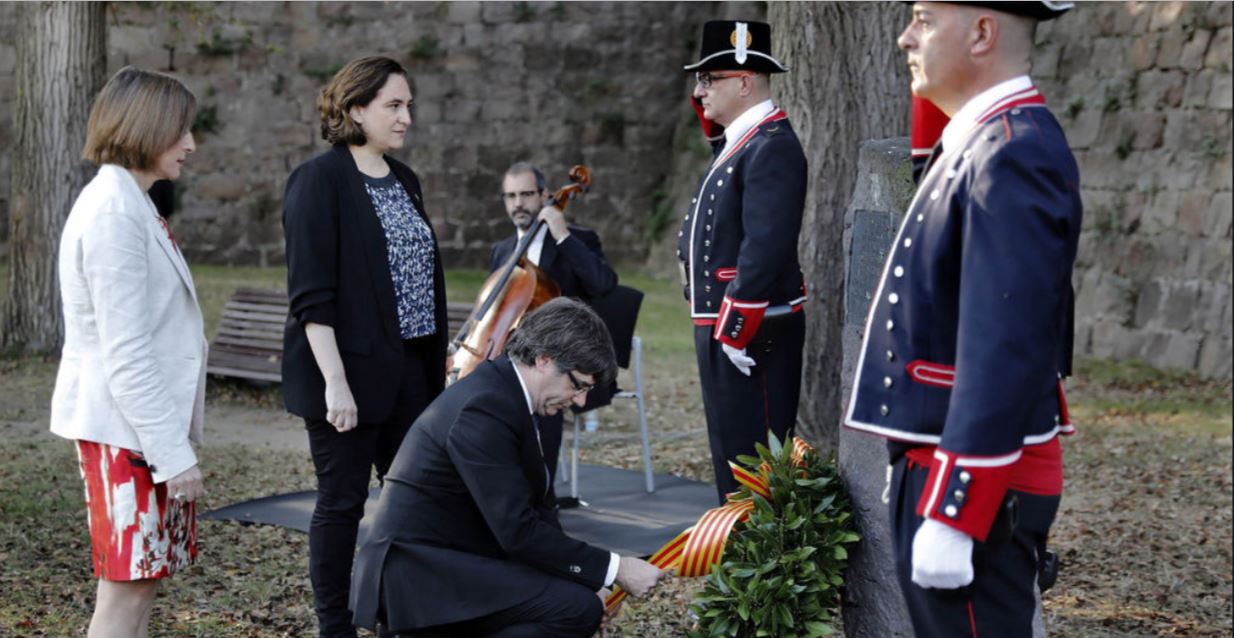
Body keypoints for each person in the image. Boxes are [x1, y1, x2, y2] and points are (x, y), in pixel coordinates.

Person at [842, 2, 1082, 636]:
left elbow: (1009, 343)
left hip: (976, 485)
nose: (904, 37)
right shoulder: (984, 140)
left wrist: (955, 510)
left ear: (982, 32)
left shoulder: (1012, 152)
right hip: (945, 462)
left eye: (923, 18)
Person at [351, 298, 665, 638]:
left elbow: (537, 515)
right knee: (575, 609)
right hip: (418, 575)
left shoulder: (506, 394)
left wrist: (586, 578)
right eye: (578, 385)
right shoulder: (485, 407)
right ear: (544, 359)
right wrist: (617, 569)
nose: (580, 401)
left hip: (455, 558)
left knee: (579, 601)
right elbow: (517, 530)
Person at [281, 55, 449, 638]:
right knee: (342, 504)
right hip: (344, 377)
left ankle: (398, 612)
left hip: (412, 371)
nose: (407, 117)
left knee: (416, 503)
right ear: (356, 109)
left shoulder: (405, 180)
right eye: (393, 106)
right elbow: (312, 296)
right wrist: (335, 383)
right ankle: (335, 625)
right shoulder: (317, 181)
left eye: (409, 105)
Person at [50, 66, 205, 638]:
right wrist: (172, 453)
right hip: (125, 432)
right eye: (181, 129)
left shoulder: (132, 201)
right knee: (125, 593)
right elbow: (126, 351)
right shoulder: (114, 210)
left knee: (141, 586)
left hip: (137, 431)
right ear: (146, 127)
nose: (190, 144)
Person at [676, 20, 809, 502]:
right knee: (731, 451)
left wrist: (736, 325)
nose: (699, 90)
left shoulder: (771, 145)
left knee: (754, 456)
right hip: (725, 321)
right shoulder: (742, 139)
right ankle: (739, 560)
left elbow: (767, 244)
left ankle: (762, 566)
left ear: (744, 81)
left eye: (709, 80)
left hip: (753, 329)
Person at [490, 161, 619, 451]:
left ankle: (541, 490)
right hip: (512, 355)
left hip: (559, 357)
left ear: (544, 195)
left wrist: (562, 236)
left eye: (525, 194)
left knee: (541, 380)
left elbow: (604, 285)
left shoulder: (577, 240)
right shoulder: (501, 252)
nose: (518, 203)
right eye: (510, 196)